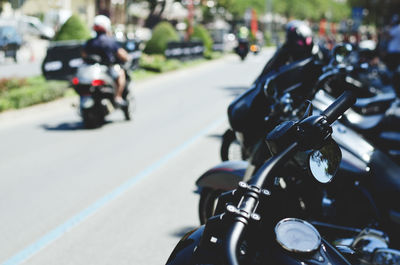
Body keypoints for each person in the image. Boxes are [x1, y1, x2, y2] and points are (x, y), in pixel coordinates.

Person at [82, 15, 129, 106]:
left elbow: (83, 55)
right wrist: (127, 58)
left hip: (92, 71)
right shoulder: (110, 41)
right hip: (107, 69)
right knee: (121, 74)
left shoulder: (89, 42)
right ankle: (118, 97)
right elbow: (122, 54)